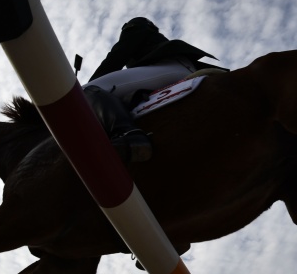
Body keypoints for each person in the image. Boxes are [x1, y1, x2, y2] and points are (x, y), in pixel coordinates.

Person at [84, 17, 220, 164]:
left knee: (86, 92)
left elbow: (119, 53)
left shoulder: (136, 27)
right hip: (178, 68)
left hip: (169, 68)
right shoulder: (152, 39)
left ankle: (129, 134)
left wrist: (84, 85)